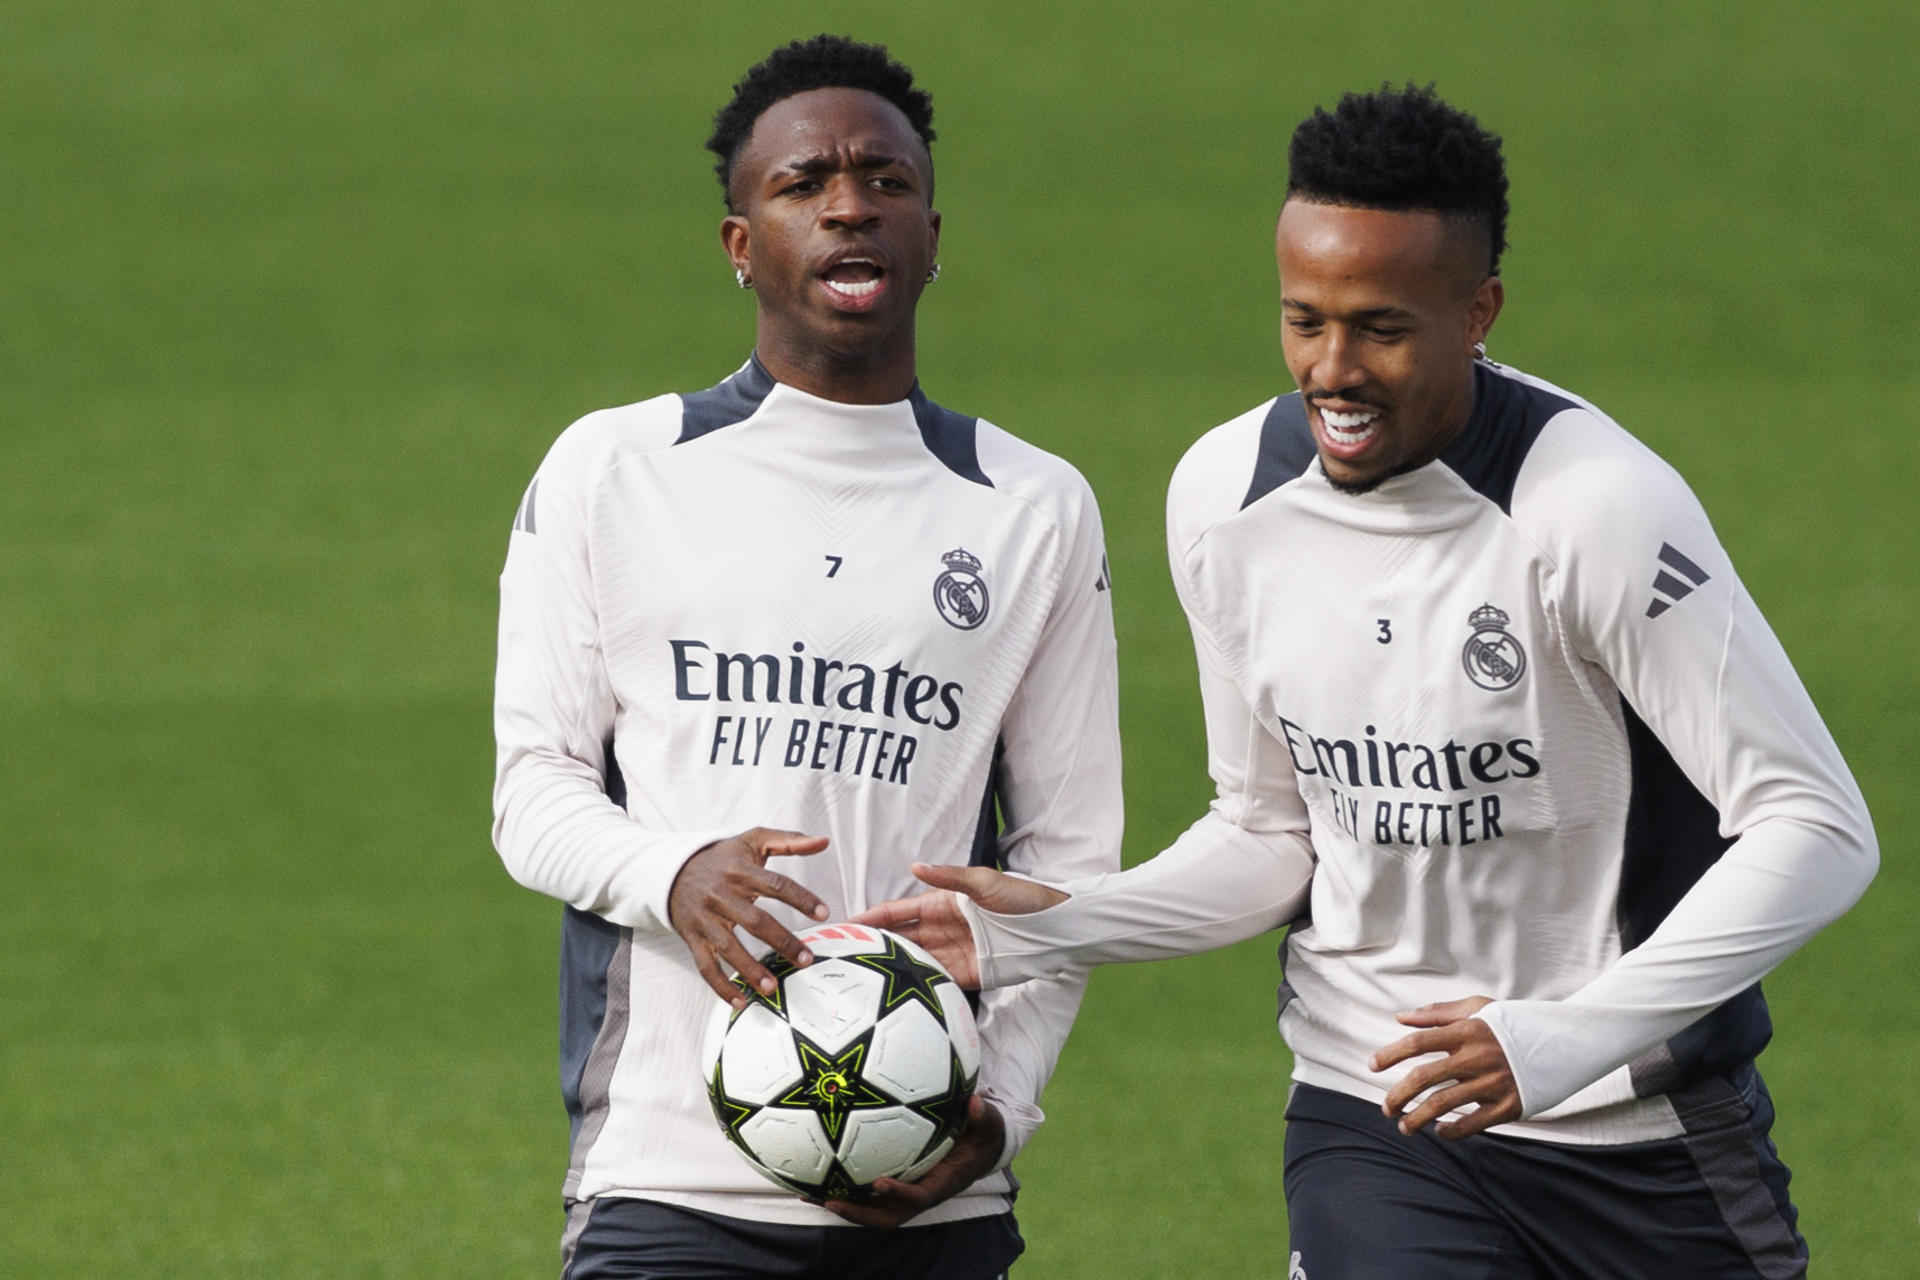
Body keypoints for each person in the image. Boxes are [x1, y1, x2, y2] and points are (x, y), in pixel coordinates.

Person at [858, 84, 1877, 1279]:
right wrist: (1053, 929)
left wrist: (1558, 1039)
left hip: (1643, 1136)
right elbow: (1267, 829)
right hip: (1376, 1113)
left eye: (1381, 328)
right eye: (1303, 320)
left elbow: (1817, 826)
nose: (1330, 371)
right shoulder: (1226, 499)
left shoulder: (1592, 509)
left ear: (1478, 310)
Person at [491, 35, 1120, 1279]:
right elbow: (533, 790)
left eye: (885, 180)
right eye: (805, 183)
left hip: (932, 1187)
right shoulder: (616, 472)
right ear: (742, 245)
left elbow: (1068, 861)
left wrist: (997, 1116)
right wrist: (673, 872)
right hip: (667, 1181)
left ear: (934, 234)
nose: (849, 204)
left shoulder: (1032, 507)